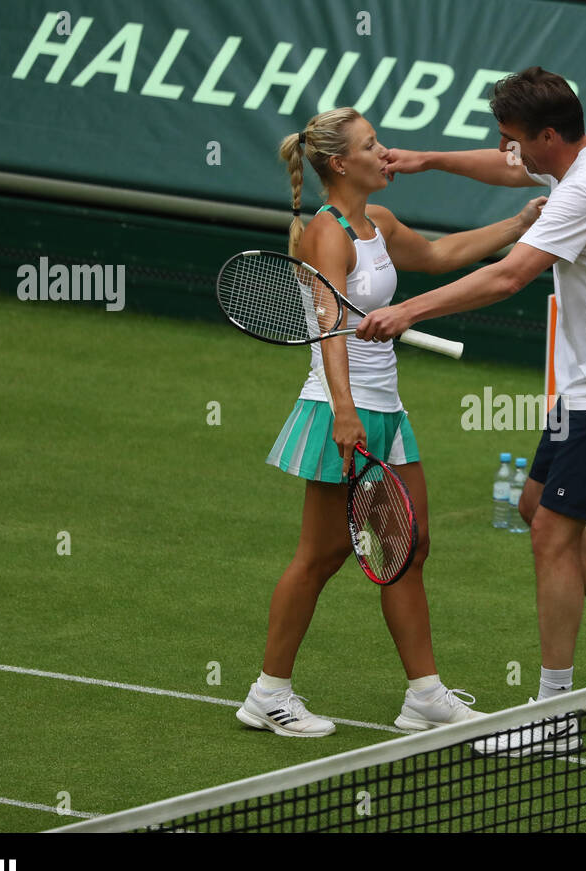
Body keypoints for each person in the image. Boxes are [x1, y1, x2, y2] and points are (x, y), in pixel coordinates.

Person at [357, 67, 586, 755]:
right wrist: (429, 159)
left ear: (550, 135)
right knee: (540, 509)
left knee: (551, 536)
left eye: (515, 141)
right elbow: (508, 171)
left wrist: (406, 308)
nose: (511, 153)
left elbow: (506, 275)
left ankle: (554, 713)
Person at [236, 107, 547, 737]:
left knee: (409, 546)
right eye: (372, 146)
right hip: (338, 409)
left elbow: (436, 255)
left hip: (388, 410)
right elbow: (328, 326)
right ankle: (268, 693)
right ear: (339, 163)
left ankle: (424, 696)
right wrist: (346, 415)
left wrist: (518, 224)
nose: (386, 154)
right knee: (320, 556)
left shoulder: (375, 222)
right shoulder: (327, 234)